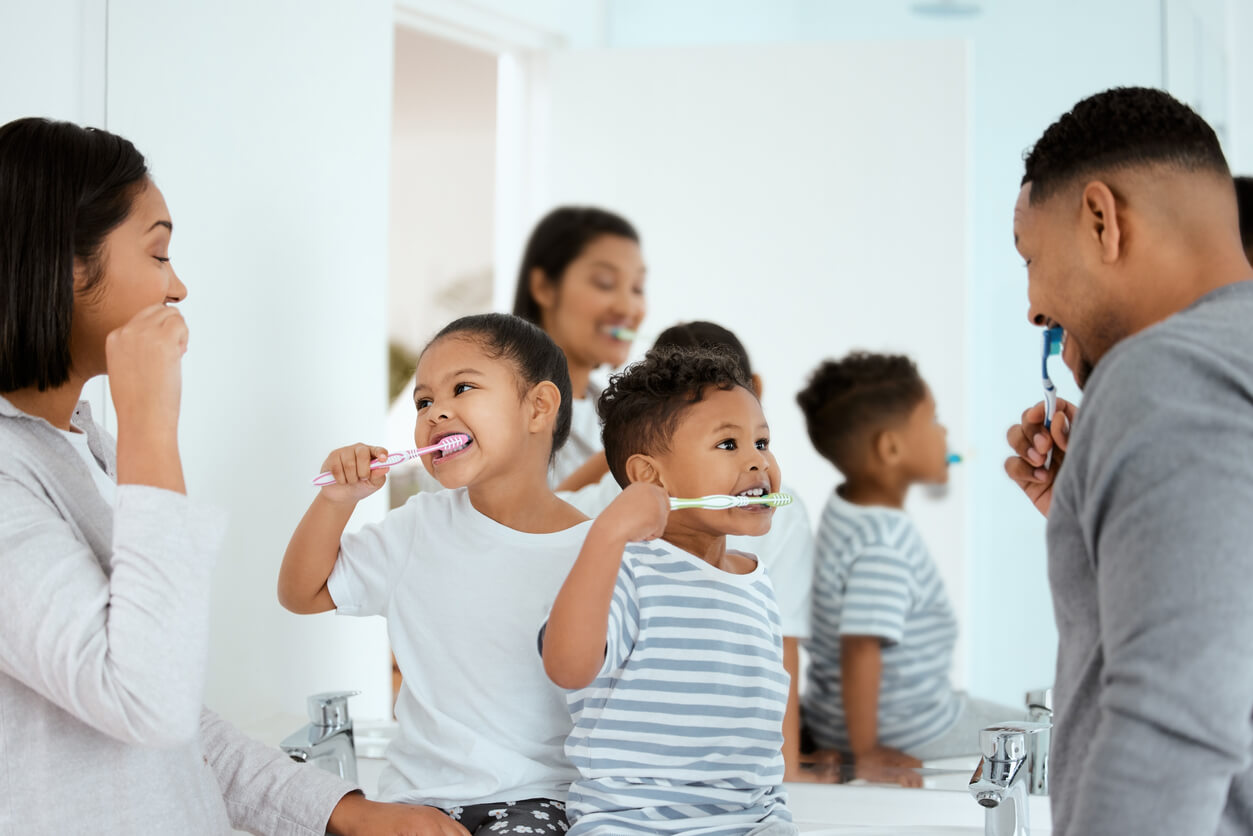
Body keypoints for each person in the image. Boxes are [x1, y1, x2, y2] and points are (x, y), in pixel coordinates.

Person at [0, 116, 458, 834]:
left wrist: (342, 810)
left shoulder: (84, 446)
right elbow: (146, 699)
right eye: (157, 253)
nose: (177, 286)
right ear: (64, 264)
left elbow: (177, 721)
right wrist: (152, 420)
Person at [1005, 87, 1253, 836]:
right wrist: (1100, 526)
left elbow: (1172, 726)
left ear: (1100, 219)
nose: (1033, 308)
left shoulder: (1162, 374)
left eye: (1030, 259)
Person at [279, 313, 592, 835]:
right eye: (424, 402)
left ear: (538, 407)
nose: (436, 412)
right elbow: (300, 593)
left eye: (462, 388)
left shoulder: (595, 551)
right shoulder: (415, 531)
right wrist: (337, 501)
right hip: (413, 804)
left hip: (537, 801)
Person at [541, 346, 797, 836]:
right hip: (632, 825)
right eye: (728, 445)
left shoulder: (756, 581)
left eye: (762, 442)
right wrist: (607, 535)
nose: (757, 462)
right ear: (649, 477)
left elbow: (761, 753)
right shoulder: (626, 569)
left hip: (753, 822)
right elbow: (568, 667)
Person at [795, 352, 1019, 783]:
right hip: (912, 728)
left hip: (836, 718)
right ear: (891, 448)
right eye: (933, 420)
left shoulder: (844, 510)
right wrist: (867, 752)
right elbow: (861, 646)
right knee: (1048, 736)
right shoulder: (884, 541)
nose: (945, 431)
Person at [511, 206, 647, 490]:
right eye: (605, 283)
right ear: (544, 287)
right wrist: (627, 453)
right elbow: (523, 527)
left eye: (637, 288)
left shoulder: (619, 410)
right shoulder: (503, 416)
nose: (627, 307)